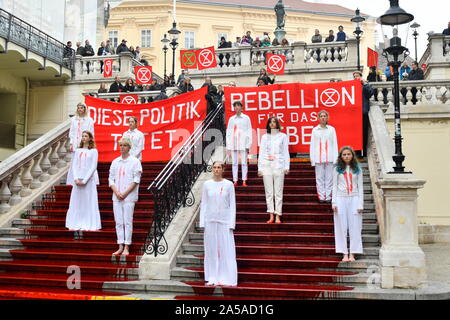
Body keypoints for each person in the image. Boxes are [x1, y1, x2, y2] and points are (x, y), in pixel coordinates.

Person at [200, 161, 237, 287]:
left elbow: (232, 205)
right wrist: (202, 222)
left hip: (225, 221)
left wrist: (232, 223)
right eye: (214, 167)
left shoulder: (229, 185)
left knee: (226, 249)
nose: (216, 170)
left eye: (219, 167)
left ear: (223, 169)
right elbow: (204, 203)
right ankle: (212, 277)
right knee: (211, 250)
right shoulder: (206, 184)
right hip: (210, 220)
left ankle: (226, 277)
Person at [109, 138, 143, 256]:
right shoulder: (115, 162)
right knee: (118, 221)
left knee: (127, 221)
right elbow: (111, 178)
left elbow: (136, 180)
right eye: (120, 145)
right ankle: (120, 245)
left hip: (129, 197)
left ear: (129, 147)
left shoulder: (135, 161)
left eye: (124, 145)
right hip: (117, 196)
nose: (122, 147)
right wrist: (117, 192)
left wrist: (125, 193)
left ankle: (127, 246)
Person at [65, 131, 101, 239]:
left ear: (90, 138)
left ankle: (87, 222)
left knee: (87, 201)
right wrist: (75, 178)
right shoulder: (78, 150)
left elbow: (93, 166)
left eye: (86, 136)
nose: (84, 138)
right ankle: (76, 222)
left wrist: (85, 180)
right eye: (83, 136)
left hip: (88, 181)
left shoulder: (94, 151)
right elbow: (74, 165)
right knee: (77, 202)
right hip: (77, 181)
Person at [332, 146, 364, 262]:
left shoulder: (358, 169)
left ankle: (353, 253)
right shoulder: (336, 169)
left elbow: (360, 187)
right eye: (344, 154)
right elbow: (334, 186)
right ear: (341, 156)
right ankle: (344, 253)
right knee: (341, 226)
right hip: (341, 198)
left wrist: (361, 204)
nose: (346, 156)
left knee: (355, 226)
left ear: (352, 155)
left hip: (354, 198)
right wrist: (333, 202)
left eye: (348, 154)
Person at [258, 117, 290, 224]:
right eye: (270, 122)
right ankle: (271, 214)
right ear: (268, 124)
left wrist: (287, 166)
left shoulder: (283, 136)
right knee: (269, 192)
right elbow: (261, 153)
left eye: (274, 122)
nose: (272, 124)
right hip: (267, 165)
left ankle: (278, 215)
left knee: (278, 192)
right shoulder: (264, 137)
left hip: (279, 165)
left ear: (277, 124)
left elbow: (285, 152)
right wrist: (260, 168)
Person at [310, 110, 338, 203]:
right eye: (321, 116)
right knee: (319, 178)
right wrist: (312, 159)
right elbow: (312, 145)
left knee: (329, 178)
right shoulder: (315, 130)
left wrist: (336, 158)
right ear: (318, 118)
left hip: (329, 157)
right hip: (318, 158)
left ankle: (328, 196)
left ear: (327, 118)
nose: (323, 117)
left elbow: (335, 144)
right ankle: (322, 196)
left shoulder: (331, 129)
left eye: (324, 116)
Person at [226, 101, 253, 187]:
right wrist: (229, 145)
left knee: (244, 162)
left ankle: (244, 180)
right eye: (235, 106)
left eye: (238, 106)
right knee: (234, 162)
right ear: (234, 108)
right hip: (234, 143)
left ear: (241, 107)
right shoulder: (231, 119)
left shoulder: (246, 118)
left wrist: (248, 144)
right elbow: (228, 132)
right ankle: (235, 180)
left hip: (243, 143)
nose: (237, 108)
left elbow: (249, 131)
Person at [353, 71, 374, 156]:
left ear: (361, 77)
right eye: (354, 76)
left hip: (363, 112)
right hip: (354, 114)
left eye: (357, 76)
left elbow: (370, 93)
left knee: (364, 133)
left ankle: (364, 152)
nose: (355, 78)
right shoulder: (352, 87)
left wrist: (365, 83)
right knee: (356, 133)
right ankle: (357, 151)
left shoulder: (364, 86)